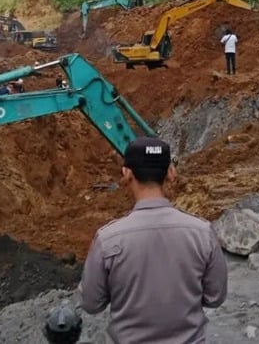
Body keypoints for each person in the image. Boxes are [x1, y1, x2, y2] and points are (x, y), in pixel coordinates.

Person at [80, 137, 228, 342]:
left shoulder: (108, 239)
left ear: (127, 174)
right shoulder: (202, 232)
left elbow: (91, 304)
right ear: (170, 173)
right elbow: (215, 298)